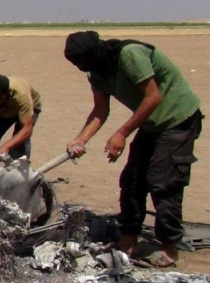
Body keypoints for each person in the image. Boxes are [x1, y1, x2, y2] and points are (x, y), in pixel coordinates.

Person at [63, 31, 202, 267]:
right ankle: (128, 240)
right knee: (132, 181)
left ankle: (169, 247)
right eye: (76, 64)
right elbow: (100, 110)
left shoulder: (130, 55)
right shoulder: (96, 71)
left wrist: (122, 133)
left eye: (82, 61)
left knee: (163, 182)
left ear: (94, 52)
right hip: (151, 123)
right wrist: (80, 139)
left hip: (178, 119)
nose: (80, 67)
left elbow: (153, 97)